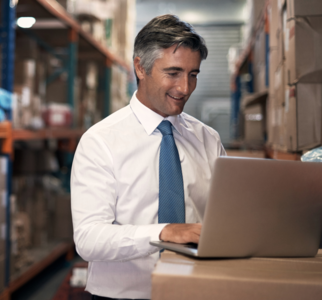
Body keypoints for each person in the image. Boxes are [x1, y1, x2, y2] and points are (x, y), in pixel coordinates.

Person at [71, 14, 226, 300]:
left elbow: (225, 217)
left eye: (193, 75)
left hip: (197, 291)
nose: (185, 88)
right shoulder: (100, 141)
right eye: (173, 73)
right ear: (140, 68)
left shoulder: (208, 140)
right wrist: (163, 232)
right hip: (124, 296)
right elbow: (89, 239)